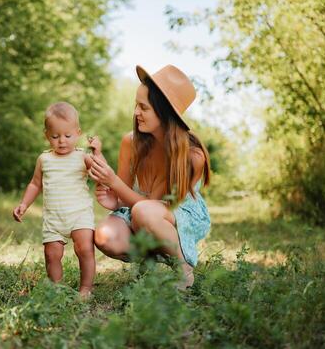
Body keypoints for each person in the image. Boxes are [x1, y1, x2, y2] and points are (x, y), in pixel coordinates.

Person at [87, 65, 211, 289]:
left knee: (143, 212)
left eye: (144, 107)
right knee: (105, 236)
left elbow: (159, 206)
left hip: (176, 215)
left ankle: (183, 268)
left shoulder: (191, 157)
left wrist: (114, 182)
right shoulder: (131, 142)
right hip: (142, 214)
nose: (136, 113)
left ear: (164, 113)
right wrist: (113, 198)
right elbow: (126, 198)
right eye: (136, 105)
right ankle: (151, 259)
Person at [13, 102, 101, 297]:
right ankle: (56, 288)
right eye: (55, 136)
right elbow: (35, 184)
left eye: (68, 136)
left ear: (78, 133)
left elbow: (101, 170)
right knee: (52, 254)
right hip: (54, 218)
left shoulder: (82, 157)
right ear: (47, 135)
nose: (62, 141)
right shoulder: (44, 159)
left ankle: (86, 289)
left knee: (85, 249)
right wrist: (24, 204)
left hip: (79, 215)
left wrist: (97, 152)